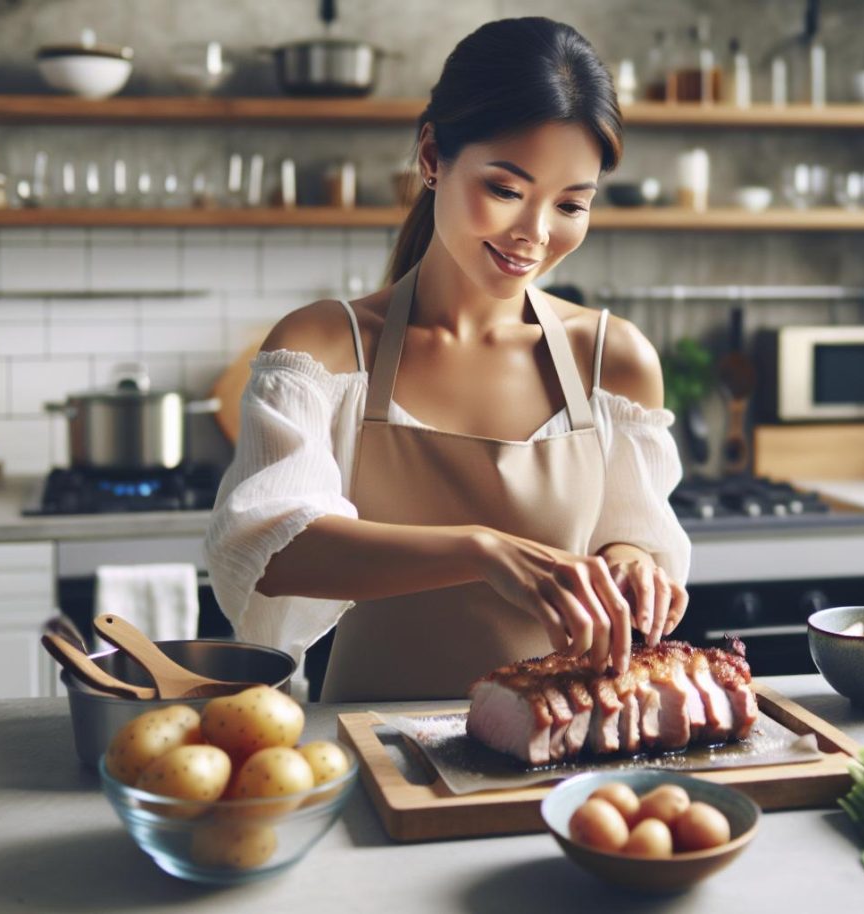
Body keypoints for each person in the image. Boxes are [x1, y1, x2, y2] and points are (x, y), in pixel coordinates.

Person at [207, 17, 690, 702]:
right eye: (505, 190)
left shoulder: (612, 358)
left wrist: (632, 563)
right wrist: (480, 551)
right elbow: (266, 549)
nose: (535, 234)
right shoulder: (324, 347)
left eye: (571, 204)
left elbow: (627, 536)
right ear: (433, 157)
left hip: (559, 760)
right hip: (371, 760)